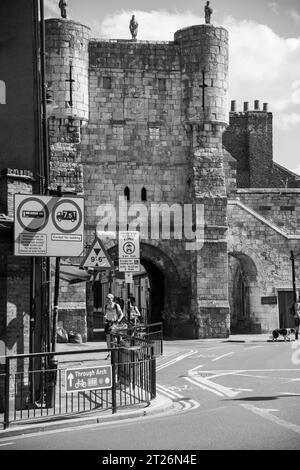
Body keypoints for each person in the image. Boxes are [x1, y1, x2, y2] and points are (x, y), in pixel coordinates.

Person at [104, 293, 124, 359]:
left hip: (114, 323)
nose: (108, 300)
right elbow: (106, 314)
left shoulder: (116, 305)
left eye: (109, 298)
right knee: (108, 339)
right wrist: (105, 318)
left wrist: (118, 321)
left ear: (112, 299)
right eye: (107, 298)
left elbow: (122, 314)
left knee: (115, 339)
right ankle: (109, 353)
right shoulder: (106, 306)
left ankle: (116, 353)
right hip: (108, 323)